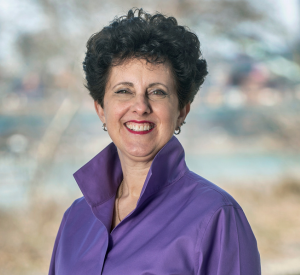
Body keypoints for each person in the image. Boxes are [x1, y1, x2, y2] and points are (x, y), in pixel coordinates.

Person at [48, 8, 261, 275]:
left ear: (182, 110)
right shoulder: (75, 219)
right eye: (124, 91)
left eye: (157, 92)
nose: (140, 106)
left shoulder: (217, 216)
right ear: (101, 108)